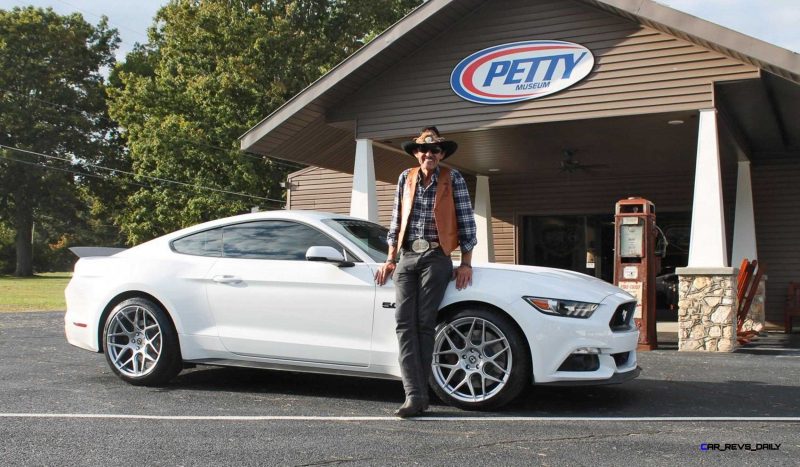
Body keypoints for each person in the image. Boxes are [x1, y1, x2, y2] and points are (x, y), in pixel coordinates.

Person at [374, 126, 477, 418]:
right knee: (403, 323)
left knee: (423, 322)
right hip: (407, 256)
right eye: (424, 150)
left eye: (434, 150)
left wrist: (465, 262)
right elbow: (396, 220)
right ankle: (413, 396)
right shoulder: (404, 178)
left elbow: (467, 221)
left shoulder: (452, 177)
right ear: (416, 153)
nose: (428, 154)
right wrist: (390, 258)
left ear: (441, 154)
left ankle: (421, 394)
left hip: (436, 255)